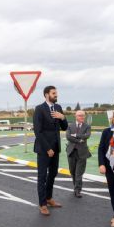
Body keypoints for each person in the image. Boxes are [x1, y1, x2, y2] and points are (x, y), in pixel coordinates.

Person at [33, 85, 68, 215]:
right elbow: (38, 131)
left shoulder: (58, 108)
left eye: (56, 93)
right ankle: (42, 204)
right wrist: (47, 148)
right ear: (47, 95)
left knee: (53, 174)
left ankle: (48, 198)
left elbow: (64, 128)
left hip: (56, 147)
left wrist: (62, 117)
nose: (56, 95)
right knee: (42, 177)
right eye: (54, 93)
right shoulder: (39, 109)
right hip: (43, 149)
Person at [65, 110, 91, 198]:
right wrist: (79, 140)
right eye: (80, 115)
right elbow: (68, 137)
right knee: (72, 172)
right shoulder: (70, 126)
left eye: (83, 116)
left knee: (79, 173)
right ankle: (75, 187)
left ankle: (77, 190)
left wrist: (75, 135)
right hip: (71, 152)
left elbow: (87, 136)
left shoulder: (87, 126)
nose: (82, 117)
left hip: (82, 153)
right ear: (76, 116)